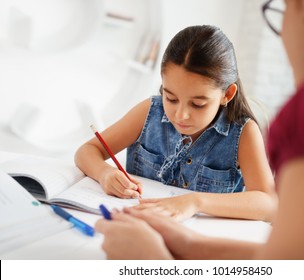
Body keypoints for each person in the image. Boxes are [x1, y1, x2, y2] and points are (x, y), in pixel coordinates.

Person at [95, 0, 304, 259]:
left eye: (282, 8)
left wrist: (150, 261)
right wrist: (189, 245)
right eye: (171, 97)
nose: (181, 112)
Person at [75, 25, 277, 222]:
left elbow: (268, 203)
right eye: (170, 98)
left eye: (198, 104)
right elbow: (87, 151)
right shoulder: (149, 112)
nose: (181, 115)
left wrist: (196, 202)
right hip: (137, 226)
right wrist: (105, 174)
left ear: (227, 94)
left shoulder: (244, 133)